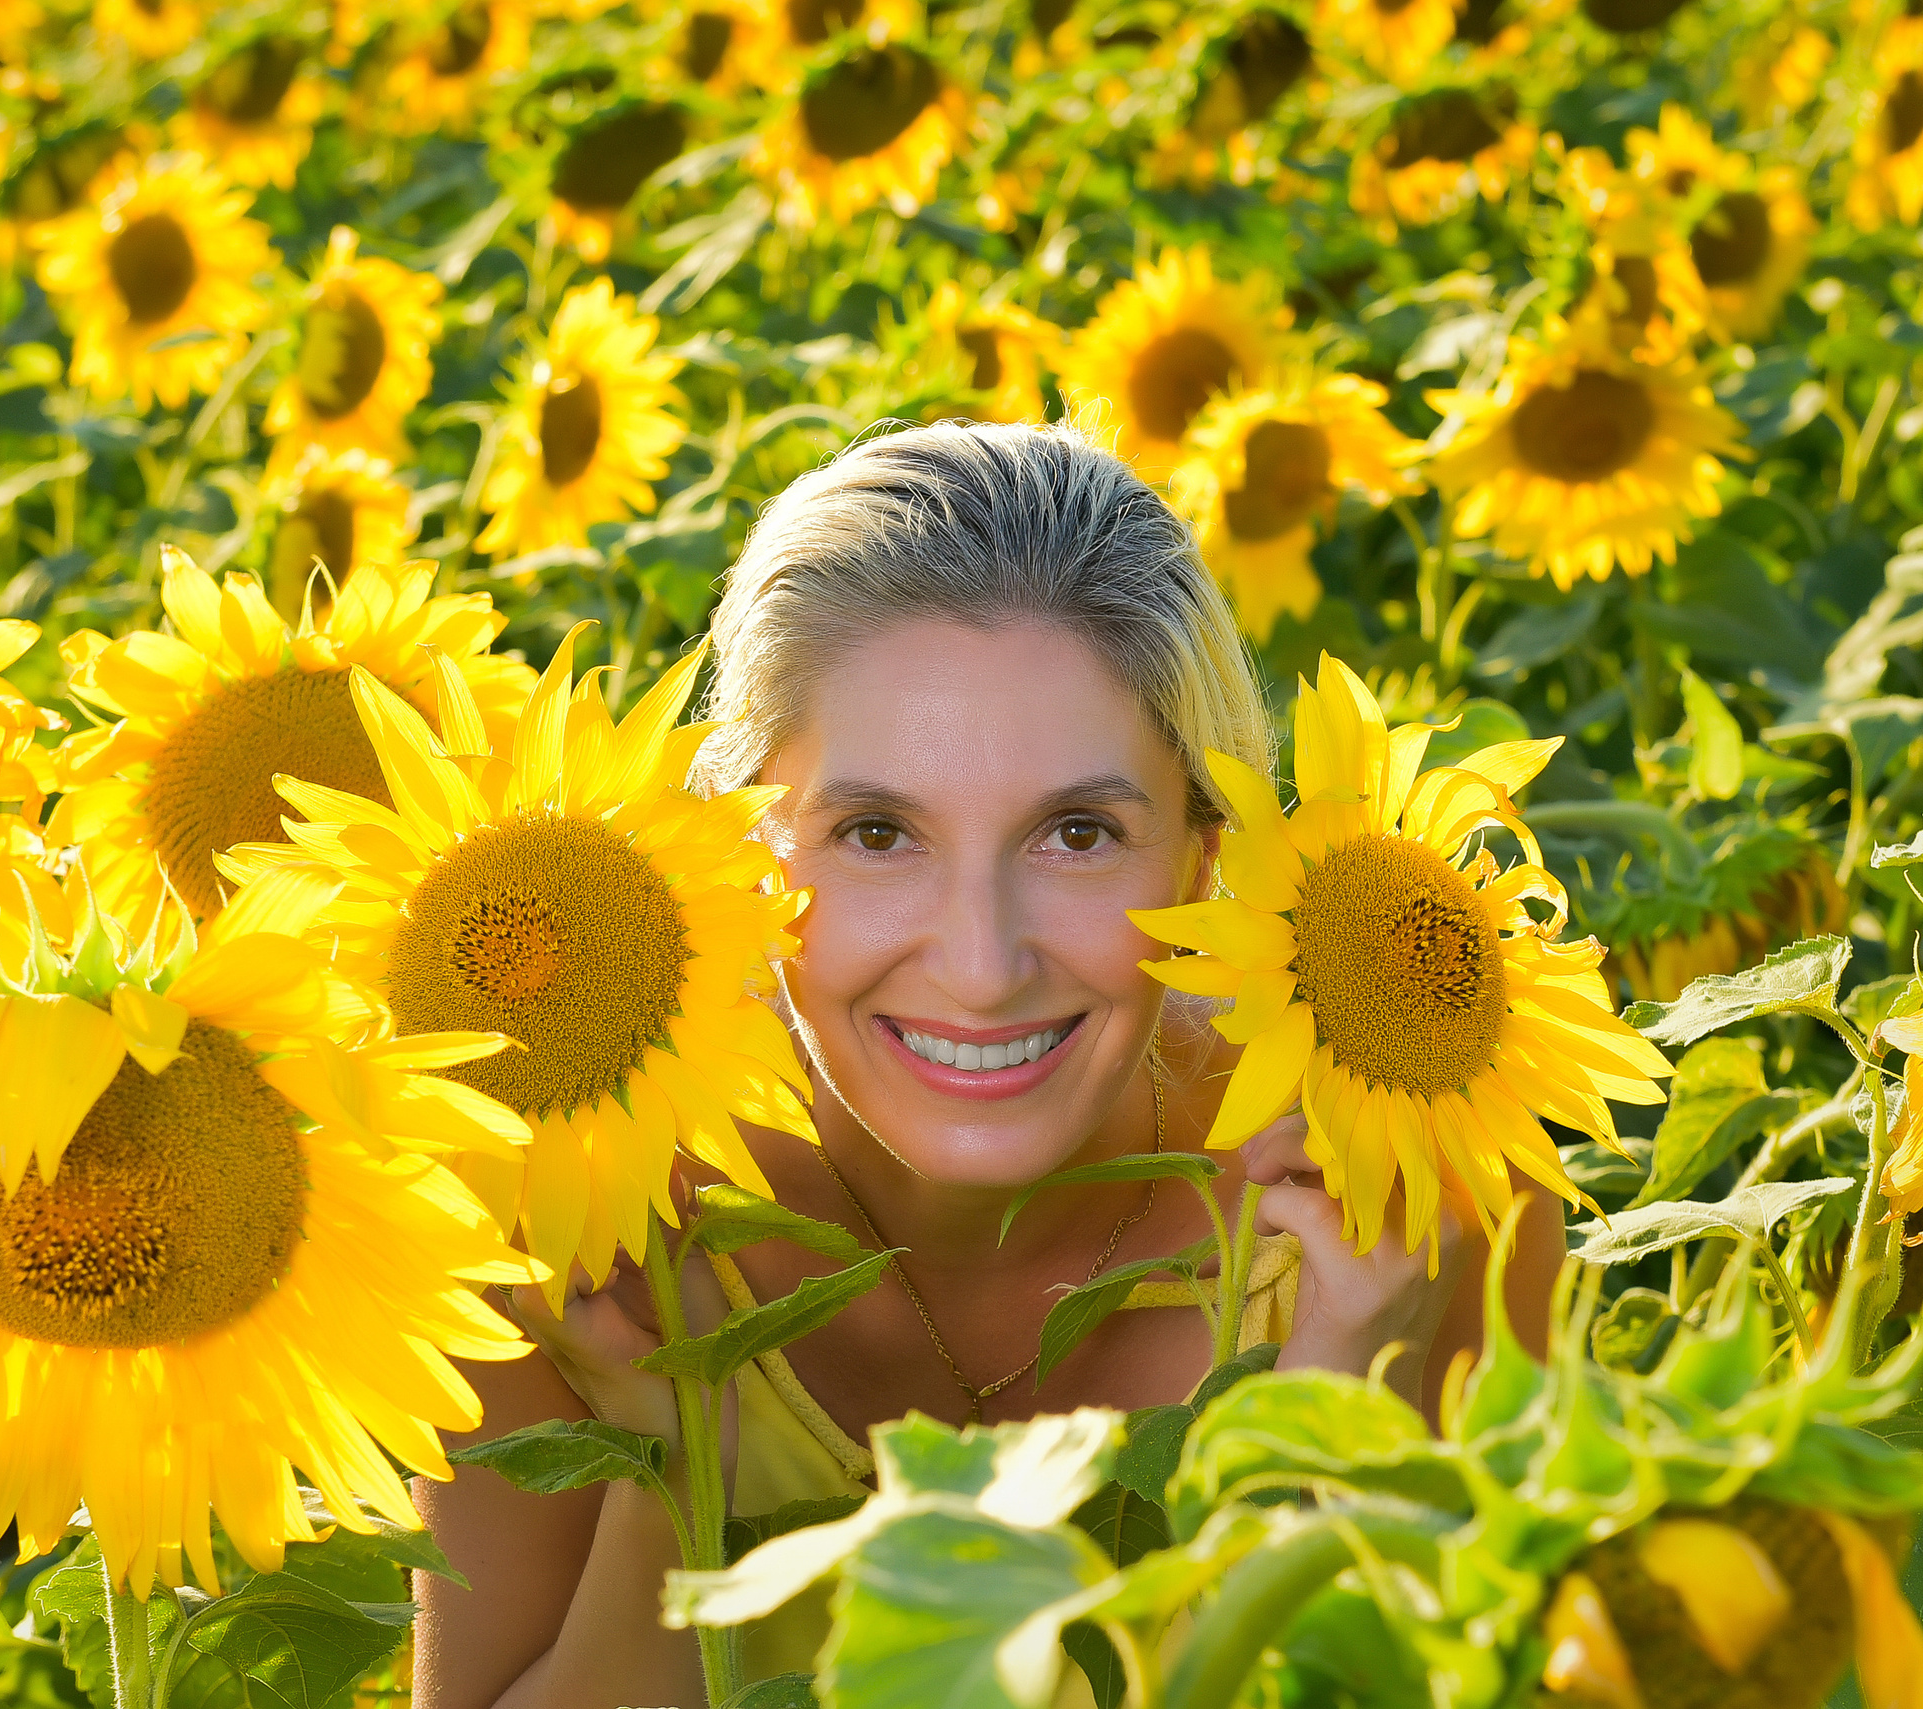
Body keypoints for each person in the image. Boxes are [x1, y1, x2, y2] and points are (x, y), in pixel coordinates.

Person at [413, 419, 1564, 1707]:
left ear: (1203, 858)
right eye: (876, 833)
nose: (980, 964)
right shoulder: (565, 1200)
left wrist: (1339, 1408)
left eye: (1077, 833)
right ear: (745, 854)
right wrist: (671, 1471)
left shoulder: (1407, 1197)